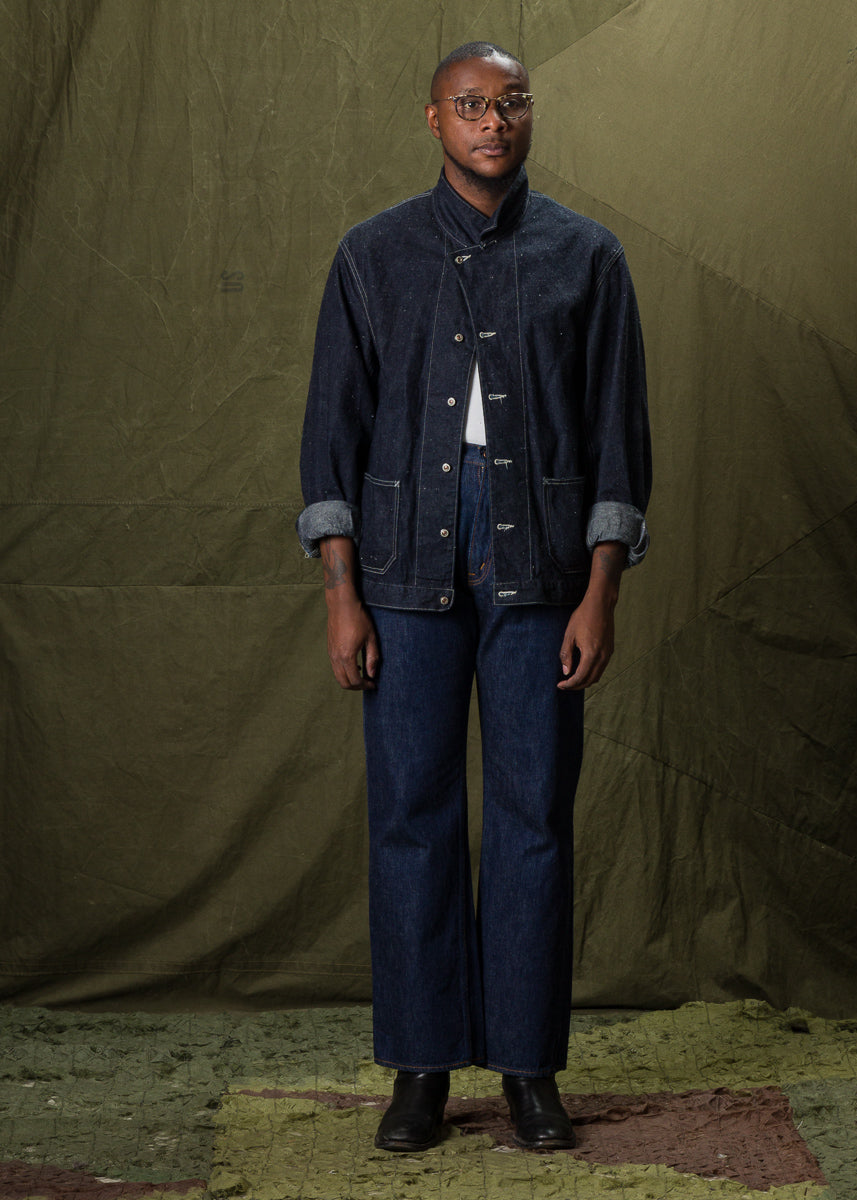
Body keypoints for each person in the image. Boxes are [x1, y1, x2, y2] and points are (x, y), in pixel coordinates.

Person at [297, 41, 651, 1153]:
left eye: (511, 103)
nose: (493, 122)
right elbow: (331, 436)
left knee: (534, 817)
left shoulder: (587, 258)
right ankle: (420, 1069)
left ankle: (529, 1070)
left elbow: (618, 440)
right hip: (402, 568)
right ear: (434, 120)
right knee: (412, 817)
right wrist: (341, 597)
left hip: (543, 568)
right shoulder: (372, 255)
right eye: (470, 105)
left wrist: (600, 594)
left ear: (529, 115)